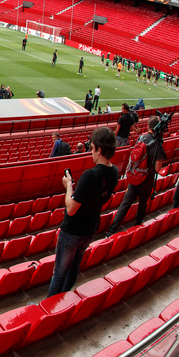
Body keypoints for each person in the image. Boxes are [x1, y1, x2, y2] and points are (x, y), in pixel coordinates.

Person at [49, 127, 119, 297]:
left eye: (92, 147)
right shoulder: (114, 171)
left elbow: (71, 209)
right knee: (74, 267)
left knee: (59, 273)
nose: (90, 150)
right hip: (89, 229)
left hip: (73, 231)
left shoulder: (90, 175)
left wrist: (69, 186)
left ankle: (46, 311)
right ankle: (63, 300)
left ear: (99, 149)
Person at [105, 116, 166, 235]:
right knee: (142, 206)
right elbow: (158, 168)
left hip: (134, 178)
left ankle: (112, 229)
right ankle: (136, 229)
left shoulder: (141, 138)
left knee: (125, 204)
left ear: (148, 125)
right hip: (147, 183)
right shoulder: (158, 144)